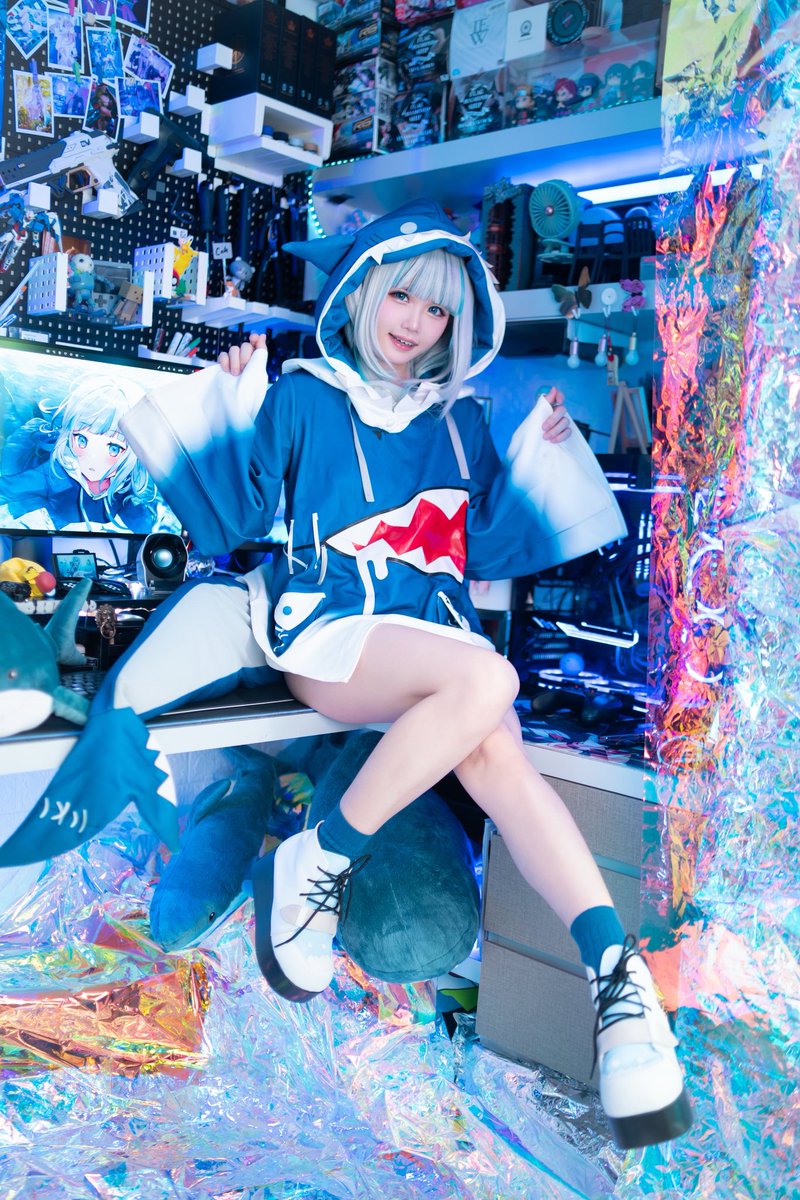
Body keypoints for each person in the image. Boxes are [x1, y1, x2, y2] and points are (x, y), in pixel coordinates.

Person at [0, 202, 691, 1151]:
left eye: (439, 309)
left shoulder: (462, 422)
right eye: (403, 294)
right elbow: (237, 524)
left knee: (495, 747)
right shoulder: (305, 396)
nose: (417, 322)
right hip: (329, 631)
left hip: (434, 640)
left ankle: (615, 981)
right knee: (488, 686)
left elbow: (487, 547)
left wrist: (546, 453)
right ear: (363, 289)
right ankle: (319, 863)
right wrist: (233, 403)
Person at [0, 375, 174, 534]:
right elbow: (6, 490)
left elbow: (146, 524)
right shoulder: (53, 475)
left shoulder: (127, 486)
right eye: (82, 440)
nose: (93, 460)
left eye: (114, 448)